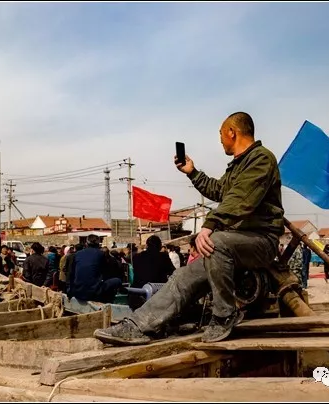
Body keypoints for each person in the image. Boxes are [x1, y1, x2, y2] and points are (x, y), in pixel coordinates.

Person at [94, 112, 284, 345]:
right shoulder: (237, 166)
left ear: (232, 132)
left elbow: (240, 199)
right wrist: (192, 172)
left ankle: (225, 315)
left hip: (260, 241)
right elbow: (219, 191)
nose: (220, 140)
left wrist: (210, 225)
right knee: (183, 276)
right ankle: (138, 325)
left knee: (217, 241)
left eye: (221, 135)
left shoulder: (261, 159)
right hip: (233, 243)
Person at [68, 234, 122, 303]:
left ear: (86, 244)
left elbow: (71, 274)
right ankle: (107, 301)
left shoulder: (77, 254)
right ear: (98, 244)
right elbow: (105, 272)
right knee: (117, 280)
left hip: (77, 292)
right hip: (93, 292)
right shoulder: (100, 254)